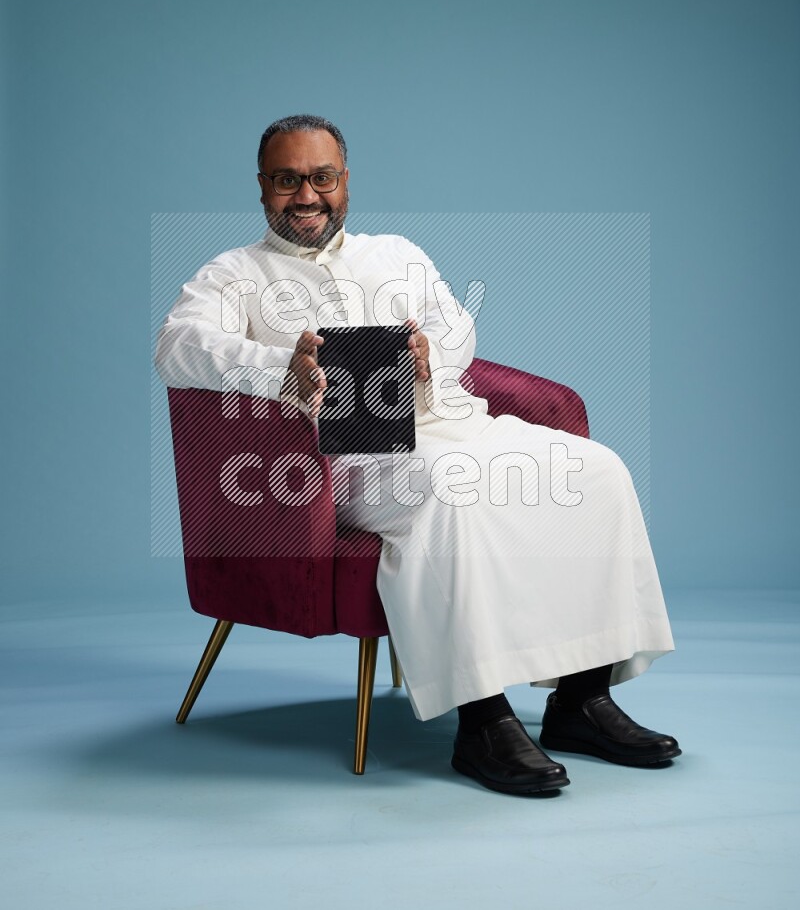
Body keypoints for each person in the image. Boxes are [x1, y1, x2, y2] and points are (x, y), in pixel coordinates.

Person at [155, 114, 681, 796]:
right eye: (288, 180)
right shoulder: (233, 273)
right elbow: (176, 346)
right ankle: (482, 721)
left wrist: (435, 353)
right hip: (340, 459)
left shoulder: (397, 252)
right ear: (263, 188)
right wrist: (279, 365)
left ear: (345, 182)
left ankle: (581, 701)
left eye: (321, 178)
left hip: (450, 422)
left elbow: (455, 326)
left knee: (596, 471)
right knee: (451, 492)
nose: (306, 195)